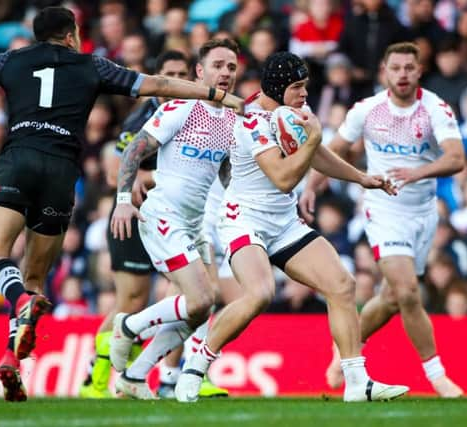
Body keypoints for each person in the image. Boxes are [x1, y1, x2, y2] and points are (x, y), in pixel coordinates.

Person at [0, 6, 244, 402]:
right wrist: (215, 94)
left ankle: (19, 303)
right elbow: (156, 83)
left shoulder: (10, 59)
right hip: (62, 176)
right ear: (72, 34)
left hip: (18, 163)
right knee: (36, 278)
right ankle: (12, 355)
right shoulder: (92, 65)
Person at [174, 51, 408, 403]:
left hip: (283, 223)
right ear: (279, 87)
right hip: (244, 219)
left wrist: (362, 179)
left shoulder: (292, 113)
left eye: (305, 86)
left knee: (342, 284)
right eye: (297, 87)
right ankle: (196, 364)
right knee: (259, 294)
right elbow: (283, 177)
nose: (304, 94)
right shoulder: (251, 120)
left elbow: (315, 153)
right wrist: (313, 139)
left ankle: (358, 382)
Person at [300, 42, 464, 398]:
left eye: (409, 67)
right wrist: (311, 187)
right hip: (382, 209)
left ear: (419, 71)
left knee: (391, 298)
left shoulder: (435, 108)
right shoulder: (368, 110)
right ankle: (438, 377)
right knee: (407, 291)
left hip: (423, 213)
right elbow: (335, 150)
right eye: (396, 68)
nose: (402, 74)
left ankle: (346, 351)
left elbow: (456, 158)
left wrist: (419, 172)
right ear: (384, 72)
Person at [109, 38, 239, 399]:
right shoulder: (181, 107)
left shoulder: (231, 118)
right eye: (217, 65)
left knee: (201, 308)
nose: (225, 73)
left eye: (231, 66)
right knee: (199, 299)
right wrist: (123, 200)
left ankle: (134, 377)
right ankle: (129, 326)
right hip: (163, 215)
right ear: (200, 72)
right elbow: (134, 149)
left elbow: (225, 172)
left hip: (196, 223)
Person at [79, 50, 192, 399]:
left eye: (182, 74)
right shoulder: (140, 119)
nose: (176, 81)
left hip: (169, 218)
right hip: (133, 216)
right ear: (158, 78)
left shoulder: (191, 115)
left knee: (181, 294)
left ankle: (170, 374)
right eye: (170, 73)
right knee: (129, 300)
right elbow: (116, 172)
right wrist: (159, 175)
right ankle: (95, 380)